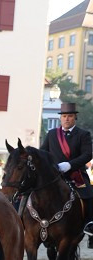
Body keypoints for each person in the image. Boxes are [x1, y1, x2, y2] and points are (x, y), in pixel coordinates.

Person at [40, 100, 93, 247]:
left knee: (89, 195)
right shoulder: (51, 134)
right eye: (64, 116)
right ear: (60, 118)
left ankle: (90, 226)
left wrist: (69, 164)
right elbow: (44, 153)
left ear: (75, 117)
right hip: (55, 175)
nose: (66, 119)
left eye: (69, 116)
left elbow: (87, 155)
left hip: (76, 174)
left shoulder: (83, 134)